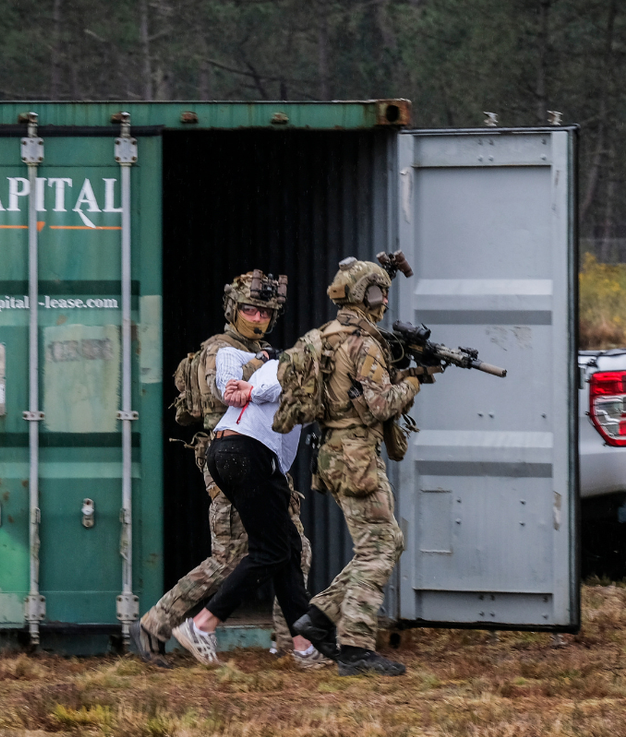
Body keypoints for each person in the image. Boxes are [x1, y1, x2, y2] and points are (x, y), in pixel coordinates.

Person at [129, 272, 319, 669]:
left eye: (266, 311)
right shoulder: (222, 349)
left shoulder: (261, 352)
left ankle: (297, 645)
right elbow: (223, 389)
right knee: (230, 558)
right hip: (233, 465)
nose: (258, 317)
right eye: (250, 309)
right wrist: (271, 366)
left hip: (262, 461)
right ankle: (155, 624)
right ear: (233, 311)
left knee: (292, 550)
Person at [291, 258, 420, 677]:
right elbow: (378, 405)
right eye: (380, 293)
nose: (383, 302)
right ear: (370, 295)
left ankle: (319, 618)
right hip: (356, 454)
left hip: (333, 452)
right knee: (380, 546)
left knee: (386, 542)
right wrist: (413, 382)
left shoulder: (326, 335)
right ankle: (355, 647)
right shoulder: (364, 344)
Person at [172, 348, 335, 667]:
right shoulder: (296, 371)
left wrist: (243, 371)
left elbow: (227, 354)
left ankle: (304, 647)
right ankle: (201, 625)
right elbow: (284, 384)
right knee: (270, 551)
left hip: (226, 451)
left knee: (286, 547)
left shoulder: (270, 365)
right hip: (247, 452)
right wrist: (250, 389)